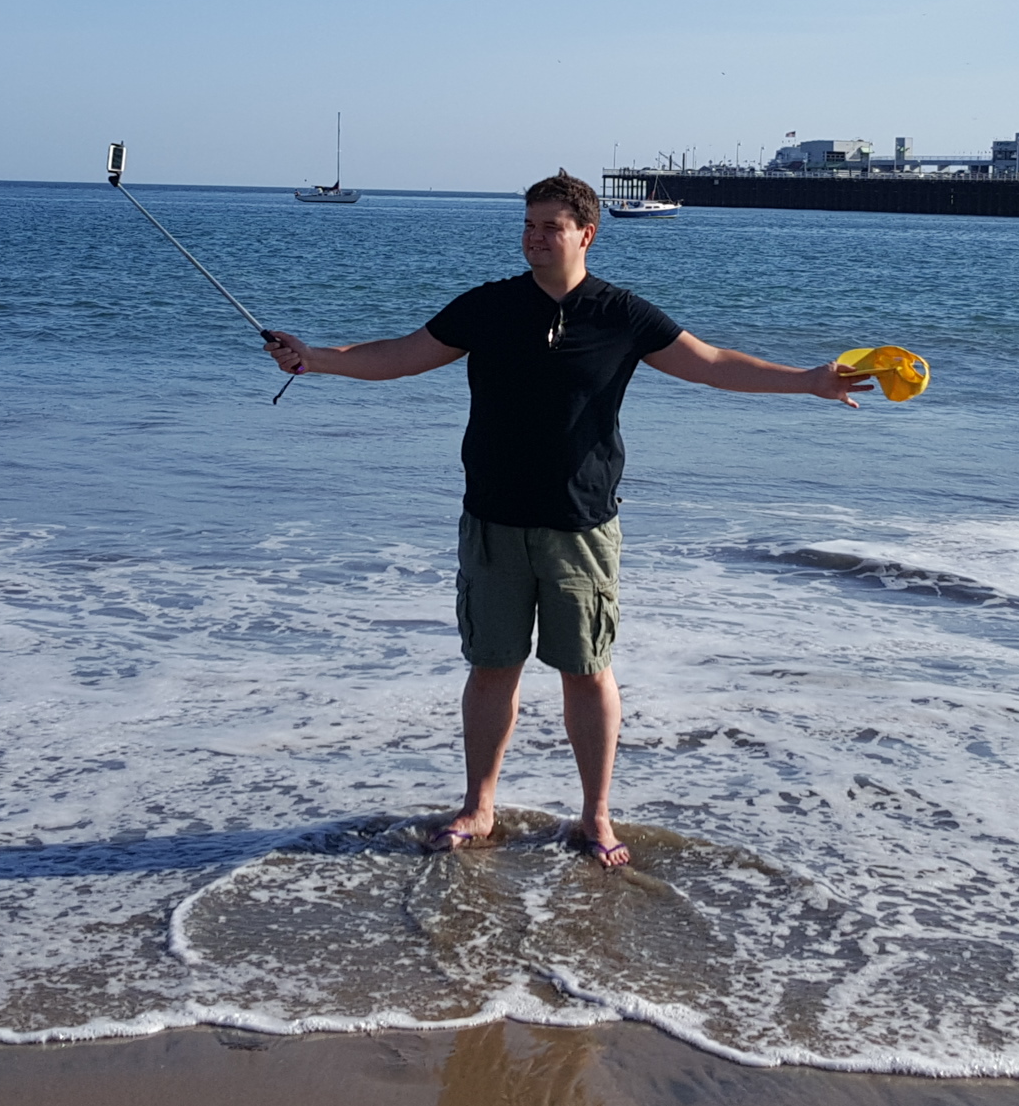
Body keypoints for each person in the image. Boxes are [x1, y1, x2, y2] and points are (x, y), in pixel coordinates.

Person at [262, 170, 872, 869]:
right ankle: (479, 806)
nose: (534, 239)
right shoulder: (488, 306)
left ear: (587, 234)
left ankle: (594, 815)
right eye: (528, 226)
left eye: (550, 227)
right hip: (492, 519)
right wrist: (317, 358)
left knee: (587, 671)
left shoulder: (620, 313)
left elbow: (709, 364)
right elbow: (400, 356)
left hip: (580, 525)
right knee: (492, 667)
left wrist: (809, 380)